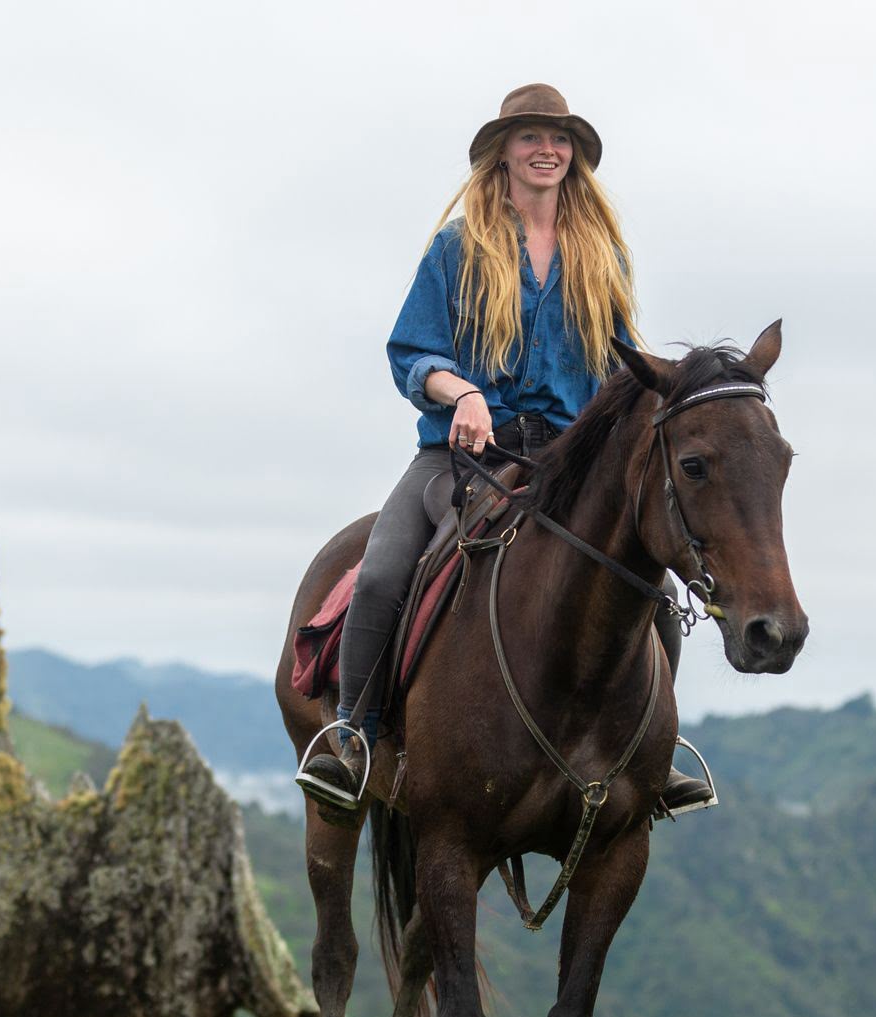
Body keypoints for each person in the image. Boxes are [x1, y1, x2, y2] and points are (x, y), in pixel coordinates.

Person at [295, 83, 712, 818]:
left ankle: (653, 752)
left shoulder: (601, 255)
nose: (547, 149)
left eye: (559, 139)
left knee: (656, 586)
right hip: (463, 454)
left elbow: (618, 366)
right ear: (504, 153)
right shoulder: (458, 248)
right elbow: (412, 353)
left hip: (568, 458)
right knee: (385, 570)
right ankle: (351, 739)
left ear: (573, 156)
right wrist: (464, 394)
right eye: (530, 137)